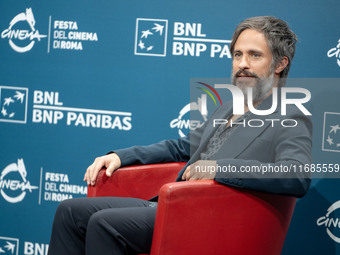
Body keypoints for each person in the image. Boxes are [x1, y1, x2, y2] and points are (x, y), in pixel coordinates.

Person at [48, 16, 312, 255]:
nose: (242, 64)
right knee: (69, 211)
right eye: (237, 55)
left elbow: (296, 175)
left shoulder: (290, 115)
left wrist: (219, 168)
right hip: (173, 206)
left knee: (103, 224)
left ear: (280, 64)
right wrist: (120, 156)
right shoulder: (229, 106)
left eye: (254, 56)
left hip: (214, 219)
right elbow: (182, 147)